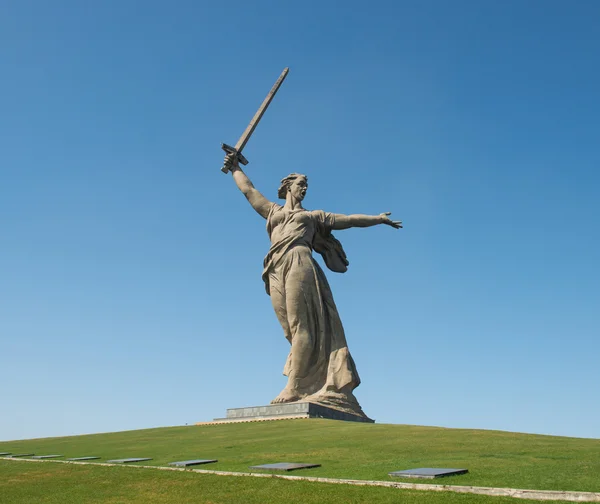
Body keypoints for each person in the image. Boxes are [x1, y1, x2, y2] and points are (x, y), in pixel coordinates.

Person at [223, 153, 401, 417]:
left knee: (301, 324)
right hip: (274, 267)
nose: (304, 188)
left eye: (306, 185)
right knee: (290, 330)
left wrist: (378, 218)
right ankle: (307, 379)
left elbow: (349, 220)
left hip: (299, 260)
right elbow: (249, 191)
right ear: (287, 187)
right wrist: (235, 167)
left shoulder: (314, 216)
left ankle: (294, 387)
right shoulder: (272, 211)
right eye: (300, 184)